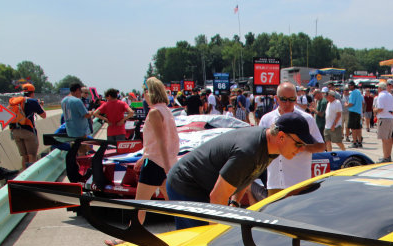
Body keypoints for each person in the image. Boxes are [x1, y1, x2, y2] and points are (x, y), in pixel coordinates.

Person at [165, 112, 315, 229]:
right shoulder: (249, 152)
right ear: (281, 136)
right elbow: (217, 197)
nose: (301, 149)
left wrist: (235, 203)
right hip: (186, 183)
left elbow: (247, 176)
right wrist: (215, 240)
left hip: (203, 185)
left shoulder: (271, 148)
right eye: (298, 144)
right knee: (200, 243)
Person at [258, 82, 325, 196]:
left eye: (292, 99)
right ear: (276, 99)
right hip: (274, 183)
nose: (288, 103)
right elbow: (260, 147)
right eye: (284, 99)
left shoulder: (307, 119)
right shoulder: (266, 119)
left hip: (299, 183)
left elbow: (321, 146)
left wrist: (301, 146)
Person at [131, 78, 180, 224]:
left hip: (155, 164)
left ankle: (130, 237)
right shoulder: (166, 110)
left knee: (139, 205)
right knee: (175, 206)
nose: (143, 95)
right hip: (166, 162)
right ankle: (187, 232)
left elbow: (160, 142)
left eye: (145, 92)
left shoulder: (154, 112)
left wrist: (165, 168)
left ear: (150, 92)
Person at [9, 83, 46, 169]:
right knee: (32, 155)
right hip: (28, 131)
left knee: (24, 156)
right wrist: (40, 105)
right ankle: (32, 178)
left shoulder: (16, 101)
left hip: (15, 131)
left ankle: (24, 176)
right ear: (32, 92)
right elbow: (43, 115)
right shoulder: (32, 101)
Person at [374, 82, 393, 162]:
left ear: (380, 88)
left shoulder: (381, 96)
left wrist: (374, 110)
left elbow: (380, 109)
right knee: (389, 139)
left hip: (384, 118)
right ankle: (388, 156)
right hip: (390, 118)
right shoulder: (390, 95)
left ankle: (385, 157)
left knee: (384, 139)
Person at [346, 81, 364, 148]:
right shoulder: (359, 92)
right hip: (358, 111)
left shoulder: (353, 93)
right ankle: (359, 142)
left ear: (352, 86)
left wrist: (346, 105)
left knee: (353, 128)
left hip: (353, 111)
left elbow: (351, 103)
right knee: (358, 128)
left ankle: (354, 142)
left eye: (349, 86)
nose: (349, 87)